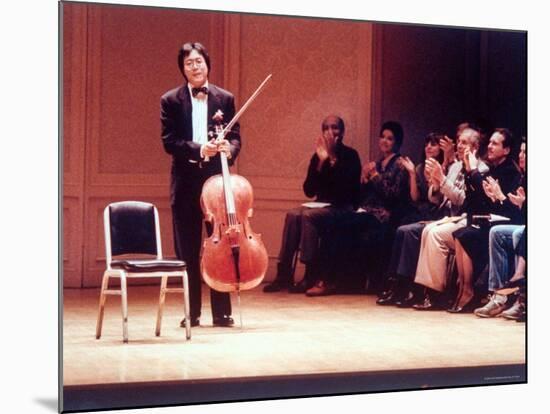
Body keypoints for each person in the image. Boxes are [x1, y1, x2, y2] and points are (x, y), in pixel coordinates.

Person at [160, 42, 240, 328]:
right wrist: (199, 149)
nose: (195, 67)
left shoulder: (225, 98)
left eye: (199, 62)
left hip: (216, 184)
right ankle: (191, 312)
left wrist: (229, 149)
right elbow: (169, 142)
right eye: (189, 63)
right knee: (188, 250)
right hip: (185, 183)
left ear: (208, 64)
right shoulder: (170, 100)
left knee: (221, 247)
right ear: (183, 69)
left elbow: (236, 137)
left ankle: (223, 313)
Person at [305, 121, 411, 296]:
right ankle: (331, 279)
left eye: (390, 139)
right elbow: (364, 194)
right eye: (382, 137)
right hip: (365, 212)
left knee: (338, 224)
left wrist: (375, 176)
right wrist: (364, 179)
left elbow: (392, 195)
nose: (384, 141)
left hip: (381, 216)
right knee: (333, 224)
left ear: (397, 142)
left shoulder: (400, 164)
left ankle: (327, 280)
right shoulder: (376, 163)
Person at [263, 116, 361, 293]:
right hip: (322, 206)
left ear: (342, 132)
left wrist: (332, 158)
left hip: (343, 207)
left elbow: (347, 191)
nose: (330, 132)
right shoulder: (317, 156)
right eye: (326, 128)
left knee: (309, 216)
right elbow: (309, 190)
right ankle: (284, 274)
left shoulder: (351, 155)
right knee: (293, 214)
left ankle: (310, 274)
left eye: (335, 128)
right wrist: (321, 162)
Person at [449, 128, 522, 313]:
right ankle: (464, 289)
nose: (489, 146)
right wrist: (468, 171)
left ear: (506, 150)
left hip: (503, 222)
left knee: (467, 234)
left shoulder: (510, 172)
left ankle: (477, 292)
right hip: (488, 220)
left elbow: (507, 209)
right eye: (489, 142)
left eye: (495, 143)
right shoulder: (493, 168)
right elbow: (476, 201)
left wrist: (475, 173)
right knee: (460, 234)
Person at [412, 126, 485, 310]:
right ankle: (428, 292)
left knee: (435, 234)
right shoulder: (455, 166)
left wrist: (442, 179)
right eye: (459, 141)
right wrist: (436, 183)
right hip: (451, 217)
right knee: (428, 230)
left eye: (465, 143)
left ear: (475, 147)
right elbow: (436, 199)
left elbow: (462, 200)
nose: (459, 146)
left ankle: (436, 293)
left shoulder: (481, 169)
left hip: (466, 219)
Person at [474, 138, 526, 318]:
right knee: (497, 232)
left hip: (523, 227)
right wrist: (498, 199)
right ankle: (498, 296)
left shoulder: (512, 173)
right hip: (516, 222)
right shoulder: (523, 176)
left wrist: (503, 199)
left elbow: (519, 216)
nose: (521, 156)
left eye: (525, 152)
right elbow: (513, 213)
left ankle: (522, 298)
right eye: (520, 151)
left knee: (521, 233)